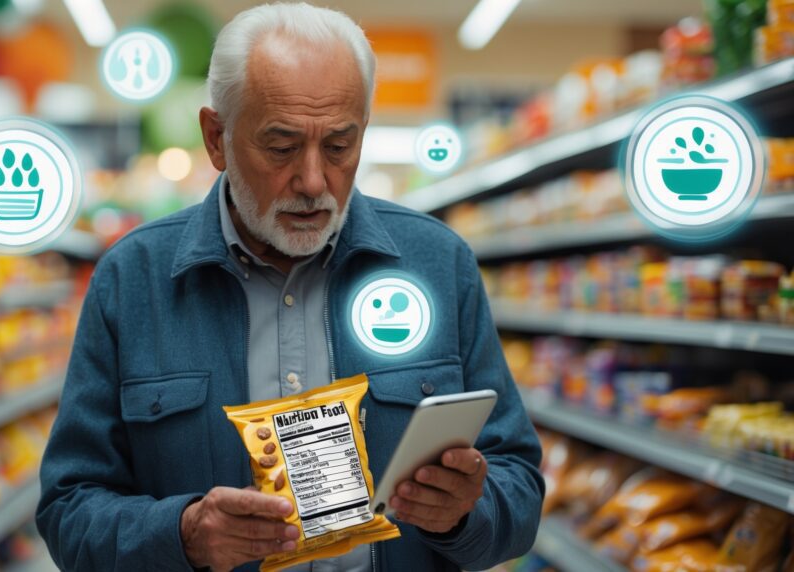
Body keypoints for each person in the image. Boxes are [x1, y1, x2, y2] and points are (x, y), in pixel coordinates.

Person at [36, 3, 544, 571]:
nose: (312, 180)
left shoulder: (437, 264)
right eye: (280, 147)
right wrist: (182, 534)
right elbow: (68, 510)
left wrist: (465, 513)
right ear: (216, 139)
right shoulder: (134, 280)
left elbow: (519, 489)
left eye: (338, 146)